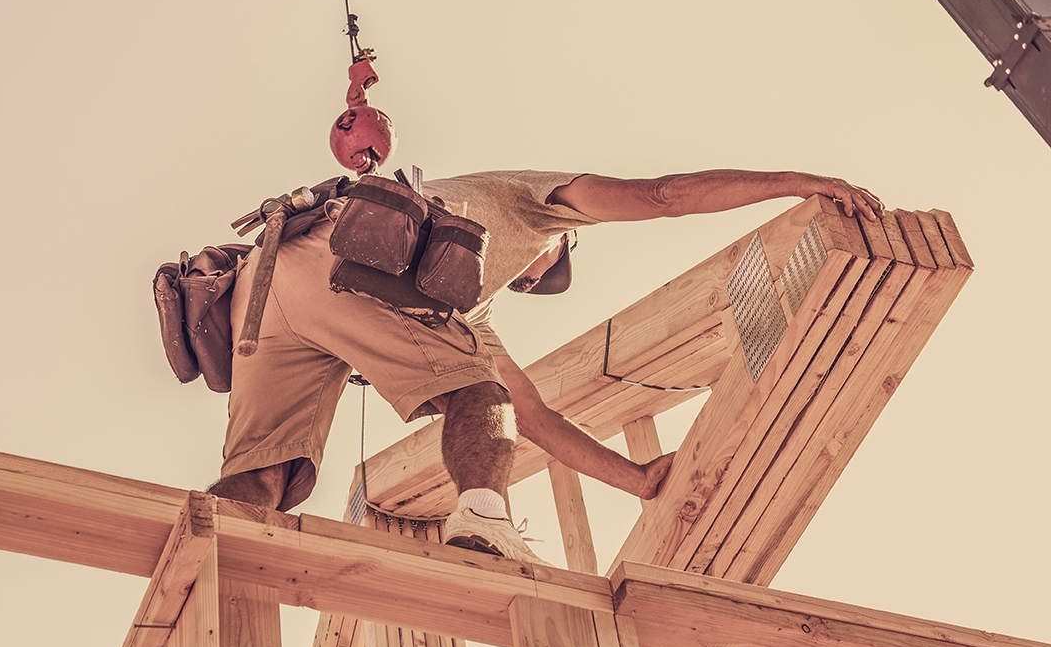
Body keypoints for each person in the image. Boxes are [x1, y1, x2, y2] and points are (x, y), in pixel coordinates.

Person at [209, 168, 883, 565]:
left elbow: (532, 417)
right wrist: (800, 182)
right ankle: (480, 520)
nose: (534, 277)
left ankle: (196, 554)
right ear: (560, 243)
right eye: (554, 265)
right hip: (352, 256)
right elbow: (662, 195)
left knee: (263, 473)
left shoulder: (466, 315)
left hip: (265, 276)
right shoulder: (536, 205)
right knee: (479, 394)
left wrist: (639, 479)